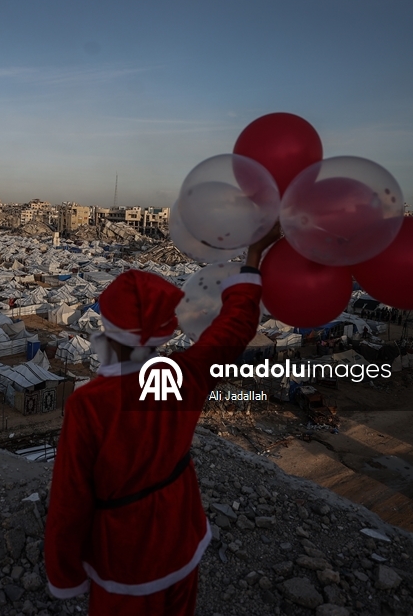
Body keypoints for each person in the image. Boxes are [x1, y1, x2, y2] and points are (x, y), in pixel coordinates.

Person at [44, 226, 280, 615]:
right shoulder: (180, 376)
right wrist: (253, 257)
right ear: (162, 330)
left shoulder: (91, 403)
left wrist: (65, 575)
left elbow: (70, 499)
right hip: (180, 535)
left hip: (124, 554)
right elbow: (235, 327)